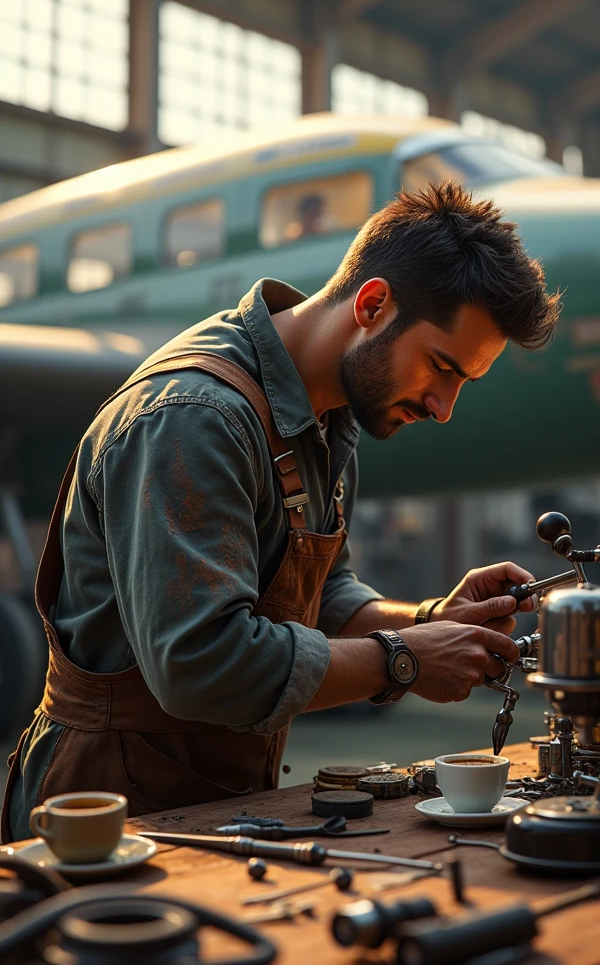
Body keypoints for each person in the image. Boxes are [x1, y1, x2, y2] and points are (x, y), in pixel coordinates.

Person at [3, 182, 561, 840]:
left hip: (211, 797)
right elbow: (202, 663)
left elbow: (319, 596)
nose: (444, 406)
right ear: (374, 304)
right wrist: (404, 659)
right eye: (441, 367)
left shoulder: (327, 421)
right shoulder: (194, 419)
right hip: (105, 807)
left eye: (463, 381)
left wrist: (433, 621)